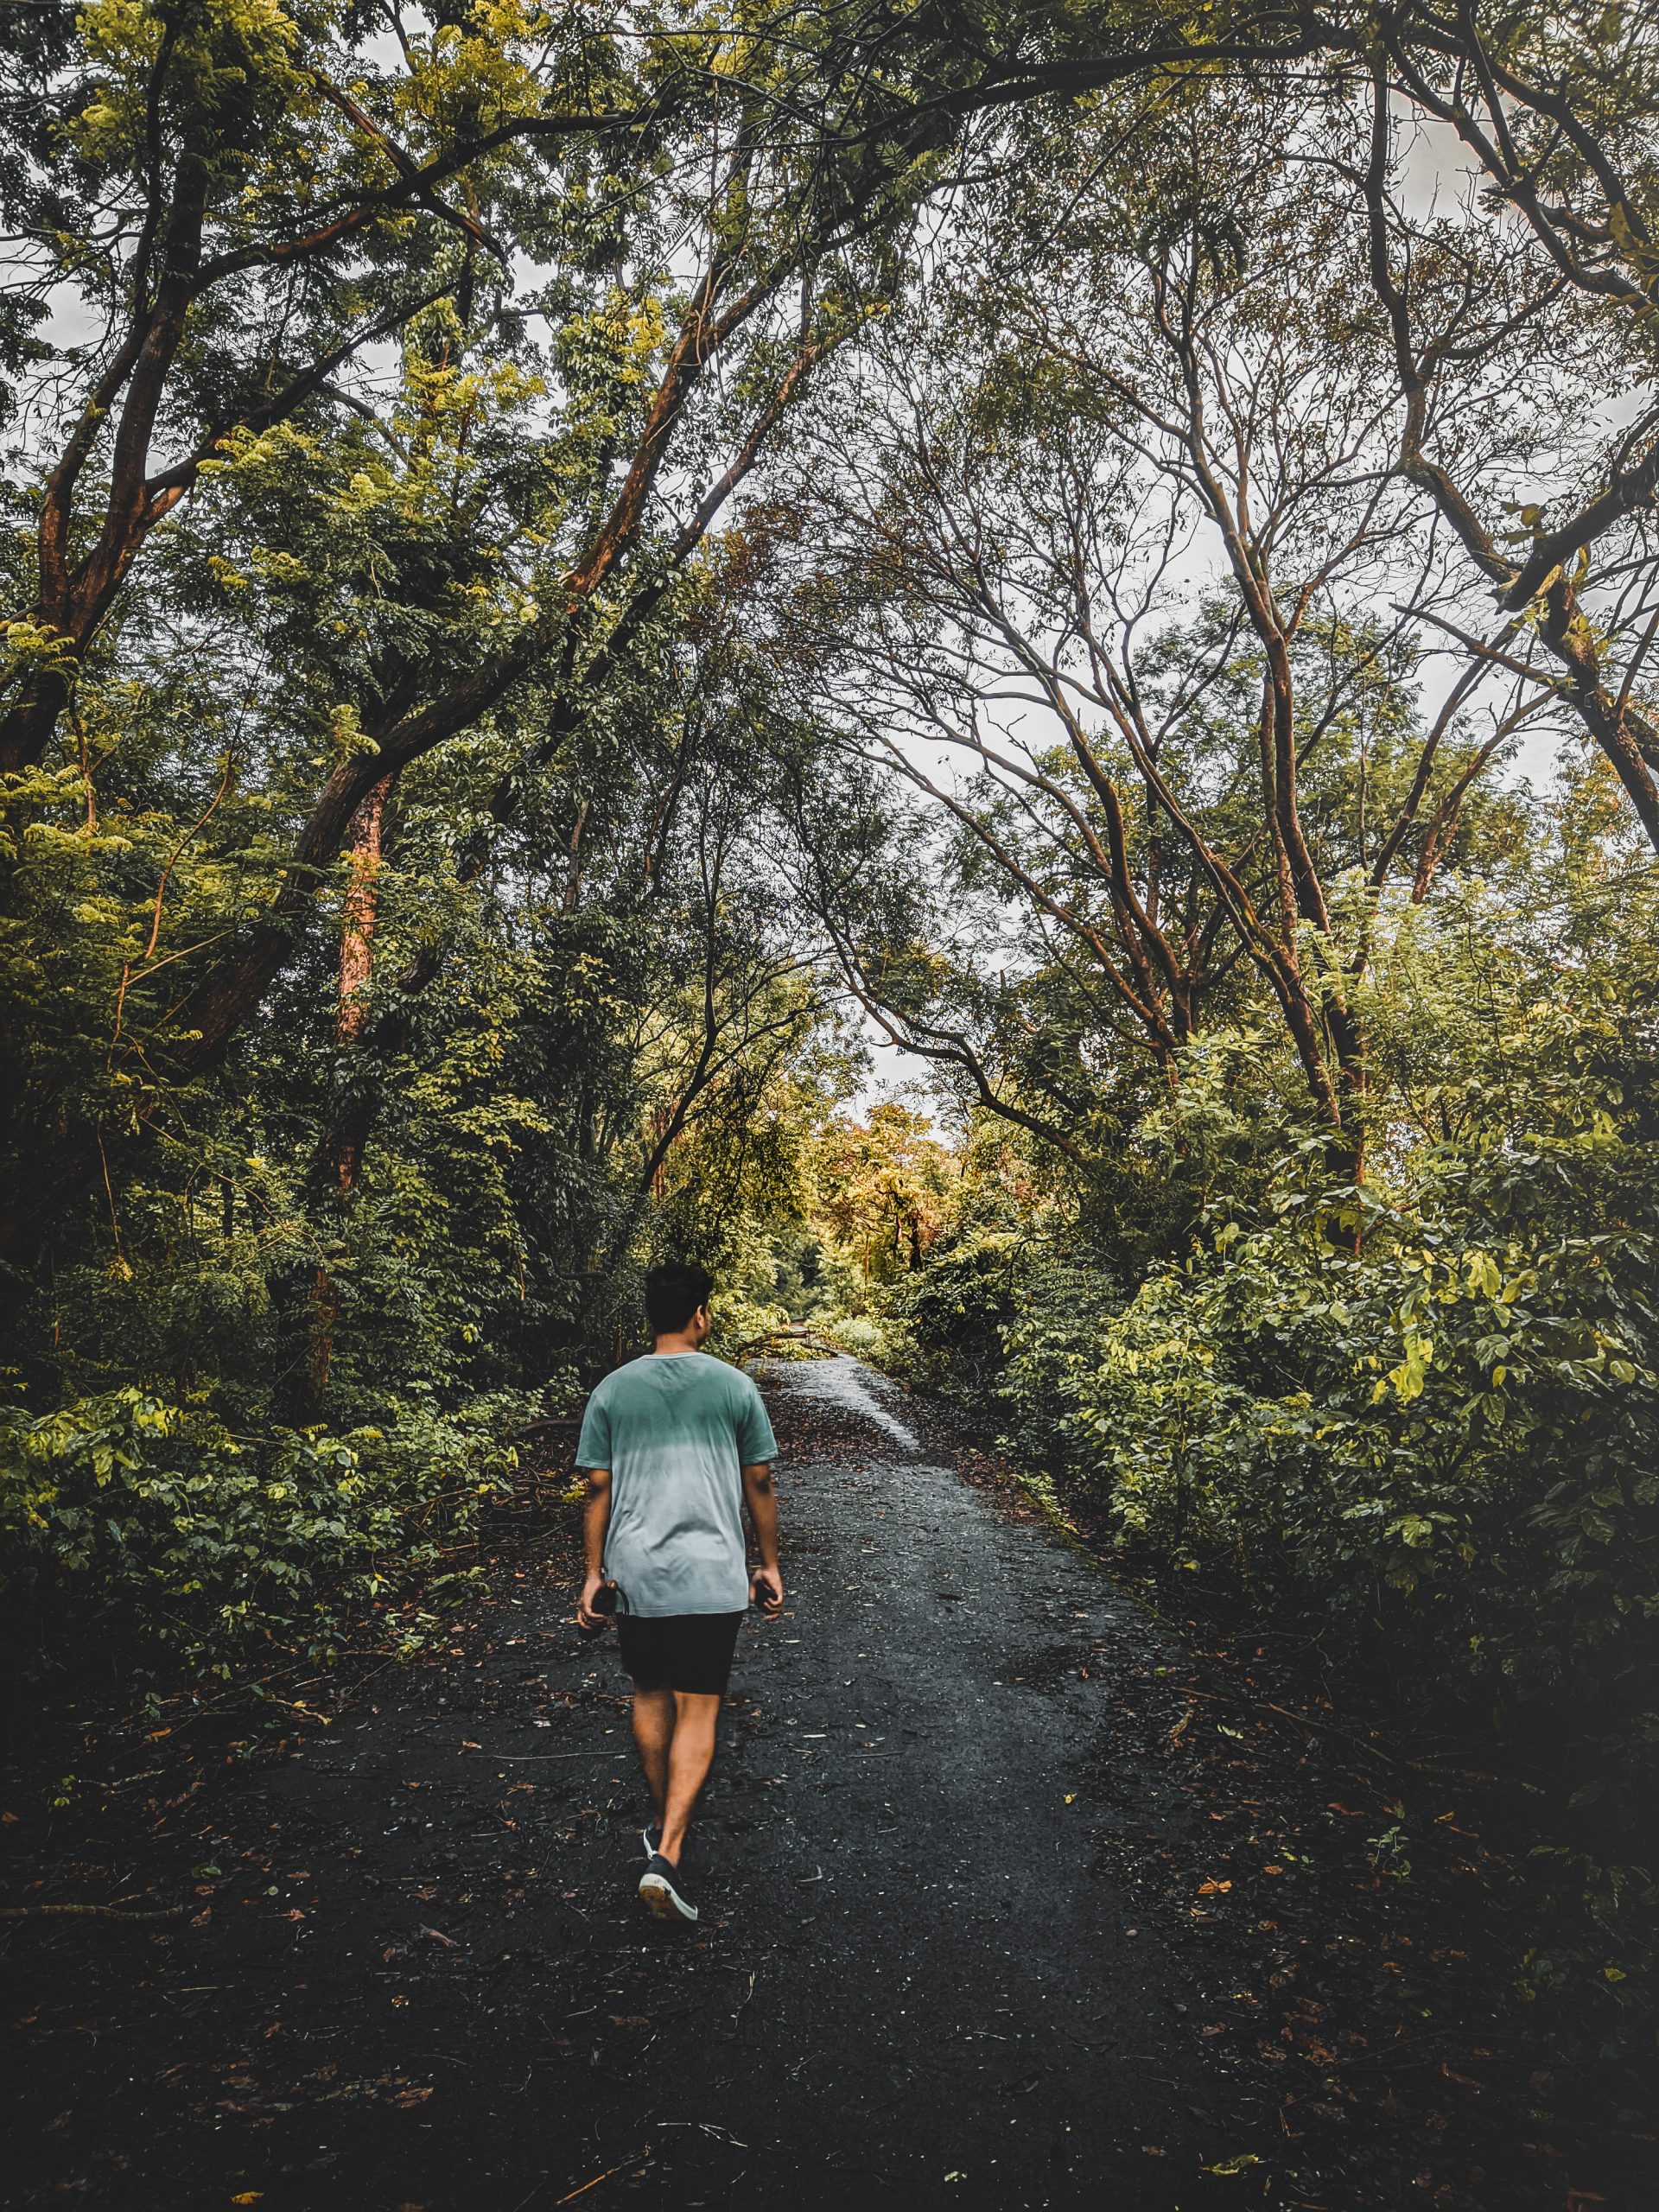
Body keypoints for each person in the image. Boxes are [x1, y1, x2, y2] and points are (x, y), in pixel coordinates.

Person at [575, 1260, 784, 1924]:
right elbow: (760, 1484)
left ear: (650, 1316)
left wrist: (592, 1574)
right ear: (701, 1315)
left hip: (636, 1573)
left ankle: (663, 1831)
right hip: (712, 1572)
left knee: (649, 1693)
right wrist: (770, 1565)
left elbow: (596, 1489)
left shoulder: (612, 1390)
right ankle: (668, 1851)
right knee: (699, 1708)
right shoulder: (734, 1386)